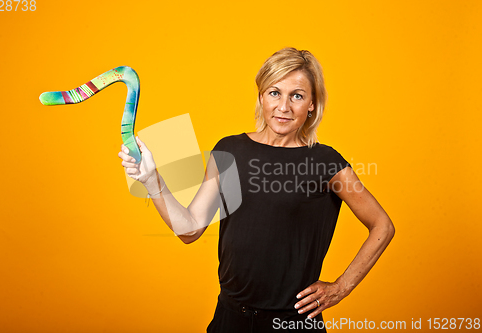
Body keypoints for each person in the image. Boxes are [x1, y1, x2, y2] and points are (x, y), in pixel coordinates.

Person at [118, 47, 395, 333]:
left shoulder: (326, 162)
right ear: (261, 96)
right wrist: (152, 180)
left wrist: (341, 287)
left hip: (292, 323)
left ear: (312, 103)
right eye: (274, 92)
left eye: (297, 96)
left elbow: (382, 226)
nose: (283, 107)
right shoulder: (229, 151)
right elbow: (189, 229)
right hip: (229, 319)